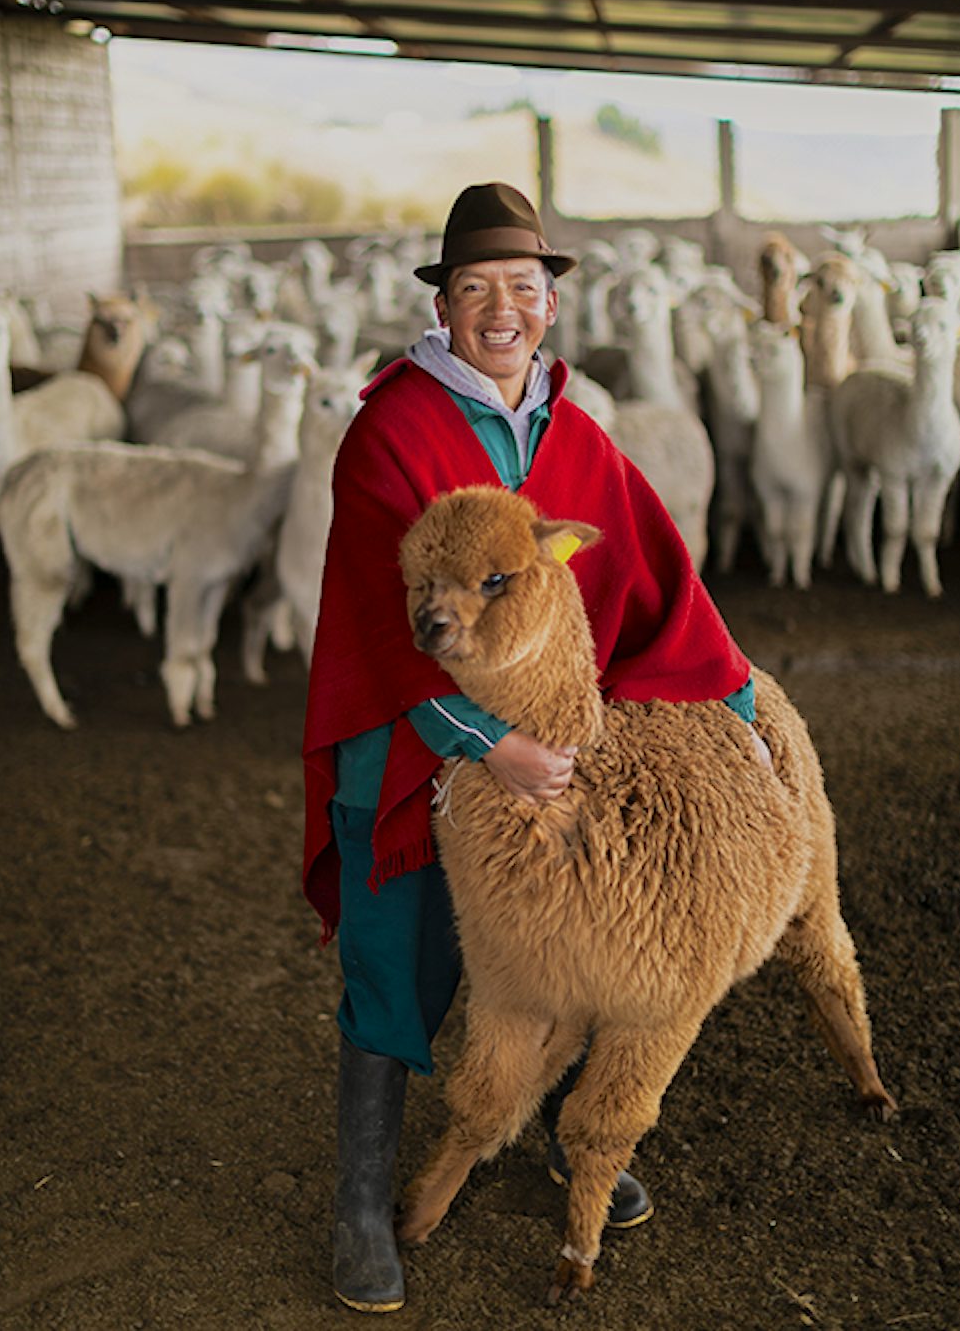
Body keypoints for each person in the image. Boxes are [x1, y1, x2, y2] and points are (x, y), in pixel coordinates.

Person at [303, 182, 758, 1313]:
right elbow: (378, 622)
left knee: (573, 939)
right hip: (419, 751)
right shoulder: (393, 430)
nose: (498, 311)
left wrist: (740, 708)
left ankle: (567, 1134)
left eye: (519, 288)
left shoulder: (573, 431)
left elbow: (656, 573)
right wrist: (485, 743)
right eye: (473, 290)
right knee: (394, 962)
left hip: (547, 754)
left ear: (548, 304)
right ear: (445, 306)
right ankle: (362, 1201)